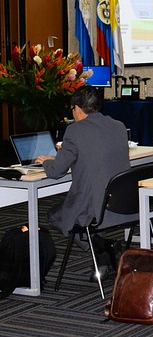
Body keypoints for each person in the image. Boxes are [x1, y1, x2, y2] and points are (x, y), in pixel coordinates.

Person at [35, 86, 130, 276]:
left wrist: (47, 162)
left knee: (54, 216)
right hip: (121, 204)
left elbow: (56, 172)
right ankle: (104, 250)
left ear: (77, 108)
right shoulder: (118, 125)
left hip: (94, 207)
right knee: (88, 216)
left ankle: (105, 249)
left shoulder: (74, 131)